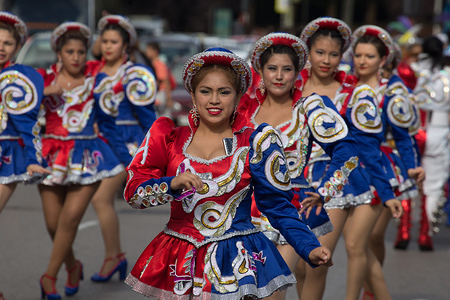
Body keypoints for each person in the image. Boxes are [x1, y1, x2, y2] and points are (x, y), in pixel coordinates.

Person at [123, 47, 333, 299]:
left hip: (235, 261)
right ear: (192, 93)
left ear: (238, 96)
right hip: (180, 260)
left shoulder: (256, 143)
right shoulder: (168, 137)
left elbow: (278, 206)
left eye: (224, 92)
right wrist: (171, 184)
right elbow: (133, 194)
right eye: (205, 91)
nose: (214, 100)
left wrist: (309, 247)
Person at [237, 31, 364, 300]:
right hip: (245, 212)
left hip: (291, 210)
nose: (279, 76)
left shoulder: (310, 107)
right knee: (246, 293)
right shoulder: (244, 109)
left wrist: (328, 189)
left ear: (298, 73)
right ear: (260, 69)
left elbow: (347, 149)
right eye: (272, 69)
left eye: (287, 69)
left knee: (272, 290)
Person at [297, 18, 402, 300]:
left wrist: (386, 189)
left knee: (318, 261)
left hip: (335, 181)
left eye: (334, 54)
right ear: (308, 52)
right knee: (296, 266)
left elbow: (366, 148)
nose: (327, 60)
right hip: (292, 182)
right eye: (320, 52)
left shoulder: (353, 91)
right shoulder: (290, 87)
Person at [37, 22, 126, 299]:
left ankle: (48, 277)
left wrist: (131, 161)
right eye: (69, 51)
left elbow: (109, 125)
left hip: (88, 157)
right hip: (50, 156)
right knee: (53, 224)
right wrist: (42, 92)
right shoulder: (41, 78)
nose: (75, 57)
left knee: (71, 218)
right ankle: (73, 266)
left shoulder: (97, 80)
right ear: (59, 53)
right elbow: (15, 106)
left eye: (80, 51)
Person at [349, 25, 421, 300]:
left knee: (373, 237)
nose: (362, 61)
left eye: (369, 56)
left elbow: (404, 138)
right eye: (358, 55)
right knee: (359, 241)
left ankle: (370, 291)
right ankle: (372, 288)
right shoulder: (345, 86)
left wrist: (413, 165)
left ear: (383, 59)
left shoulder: (393, 91)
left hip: (383, 166)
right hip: (349, 169)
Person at [90, 15, 158, 283]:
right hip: (96, 144)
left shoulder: (135, 75)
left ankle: (112, 257)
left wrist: (157, 148)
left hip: (127, 142)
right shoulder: (92, 72)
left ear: (125, 44)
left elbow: (148, 118)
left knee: (100, 199)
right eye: (104, 40)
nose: (108, 46)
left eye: (114, 41)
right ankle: (113, 256)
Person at [0, 11, 49, 213]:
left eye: (8, 43)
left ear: (18, 47)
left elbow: (29, 126)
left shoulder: (19, 80)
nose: (1, 48)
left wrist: (32, 159)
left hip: (6, 157)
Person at [411, 35, 450, 250]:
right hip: (439, 132)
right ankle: (425, 233)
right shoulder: (447, 75)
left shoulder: (412, 71)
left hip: (412, 132)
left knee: (406, 182)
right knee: (433, 186)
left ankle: (403, 230)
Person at [145, 41, 175, 117]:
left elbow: (165, 81)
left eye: (148, 50)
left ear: (155, 51)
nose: (146, 52)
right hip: (156, 93)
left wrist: (168, 98)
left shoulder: (159, 65)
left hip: (160, 94)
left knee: (161, 116)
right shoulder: (150, 64)